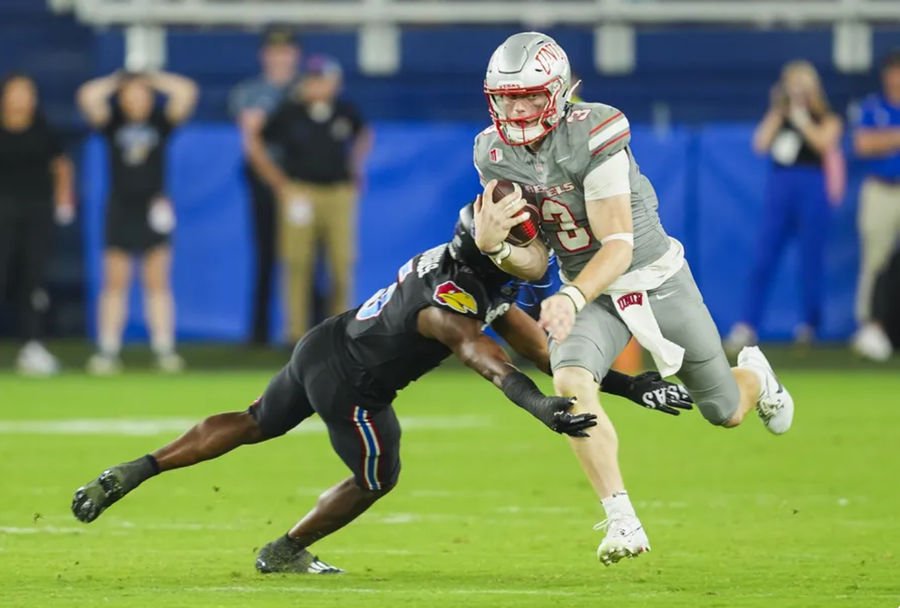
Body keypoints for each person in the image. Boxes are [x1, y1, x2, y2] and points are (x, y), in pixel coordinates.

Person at [70, 203, 694, 573]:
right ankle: (285, 551)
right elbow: (495, 362)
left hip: (325, 343)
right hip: (354, 384)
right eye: (525, 241)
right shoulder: (451, 301)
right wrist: (542, 409)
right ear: (495, 249)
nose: (538, 250)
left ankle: (138, 469)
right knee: (377, 475)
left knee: (256, 420)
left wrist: (630, 387)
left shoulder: (464, 268)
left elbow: (535, 347)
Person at [472, 32, 795, 566]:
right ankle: (622, 519)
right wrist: (497, 247)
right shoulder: (493, 151)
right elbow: (533, 260)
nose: (517, 106)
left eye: (529, 94)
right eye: (507, 96)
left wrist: (571, 298)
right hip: (588, 292)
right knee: (570, 380)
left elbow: (619, 245)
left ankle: (756, 376)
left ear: (557, 90)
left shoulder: (595, 130)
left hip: (653, 278)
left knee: (724, 411)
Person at [77, 70, 198, 374]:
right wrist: (119, 79)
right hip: (121, 207)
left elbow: (187, 91)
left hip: (153, 206)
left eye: (142, 94)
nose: (136, 100)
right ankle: (107, 350)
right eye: (130, 95)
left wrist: (151, 77)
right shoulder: (112, 123)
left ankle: (164, 348)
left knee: (157, 281)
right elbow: (87, 96)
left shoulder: (160, 123)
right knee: (115, 281)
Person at [247, 54, 372, 343]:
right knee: (297, 262)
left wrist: (355, 166)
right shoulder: (289, 111)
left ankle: (342, 331)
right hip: (300, 191)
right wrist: (279, 183)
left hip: (338, 192)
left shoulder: (344, 109)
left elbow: (364, 133)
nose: (317, 86)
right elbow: (257, 140)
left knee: (342, 262)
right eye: (312, 80)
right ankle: (296, 335)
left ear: (335, 82)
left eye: (323, 80)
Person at [725, 60, 843, 352]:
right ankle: (748, 324)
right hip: (781, 188)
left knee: (810, 260)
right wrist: (779, 109)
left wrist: (803, 116)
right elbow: (760, 144)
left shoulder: (827, 117)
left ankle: (811, 325)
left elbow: (823, 143)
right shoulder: (780, 117)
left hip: (812, 188)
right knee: (764, 257)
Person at [230, 27, 302, 346]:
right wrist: (279, 183)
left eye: (285, 51)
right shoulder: (251, 92)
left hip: (304, 181)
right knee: (267, 253)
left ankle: (310, 329)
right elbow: (252, 143)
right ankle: (259, 333)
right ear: (265, 56)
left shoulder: (306, 88)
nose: (280, 58)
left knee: (306, 256)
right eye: (275, 52)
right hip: (268, 181)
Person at [0, 73, 75, 375]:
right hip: (2, 215)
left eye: (26, 93)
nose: (20, 99)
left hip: (36, 214)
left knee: (32, 282)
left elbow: (61, 166)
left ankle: (31, 346)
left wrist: (63, 201)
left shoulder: (44, 130)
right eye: (15, 92)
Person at [851, 49, 900, 362]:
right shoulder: (873, 106)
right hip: (880, 189)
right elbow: (862, 144)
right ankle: (872, 327)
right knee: (875, 258)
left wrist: (887, 139)